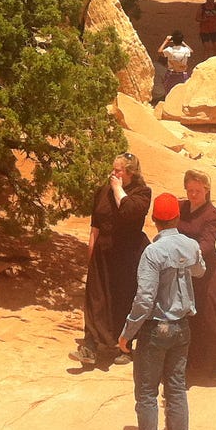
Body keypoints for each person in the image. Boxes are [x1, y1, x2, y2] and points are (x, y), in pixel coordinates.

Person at [119, 192, 206, 430]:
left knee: (146, 394)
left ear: (154, 220)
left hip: (155, 329)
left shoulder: (153, 253)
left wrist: (127, 333)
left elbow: (145, 299)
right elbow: (199, 270)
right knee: (176, 390)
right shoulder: (191, 245)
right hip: (182, 328)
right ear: (177, 218)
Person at [72, 152, 151, 368]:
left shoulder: (142, 193)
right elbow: (95, 224)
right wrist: (90, 251)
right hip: (102, 251)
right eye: (113, 169)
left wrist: (118, 189)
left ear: (130, 173)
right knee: (95, 299)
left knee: (121, 300)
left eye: (118, 171)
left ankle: (123, 347)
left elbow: (127, 212)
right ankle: (89, 346)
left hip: (126, 255)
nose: (113, 174)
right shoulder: (103, 190)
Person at [177, 169, 216, 381]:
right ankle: (190, 361)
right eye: (190, 190)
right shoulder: (180, 208)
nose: (193, 195)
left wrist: (186, 255)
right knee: (187, 316)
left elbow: (207, 243)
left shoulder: (213, 215)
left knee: (210, 315)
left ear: (206, 190)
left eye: (197, 191)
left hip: (206, 270)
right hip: (183, 270)